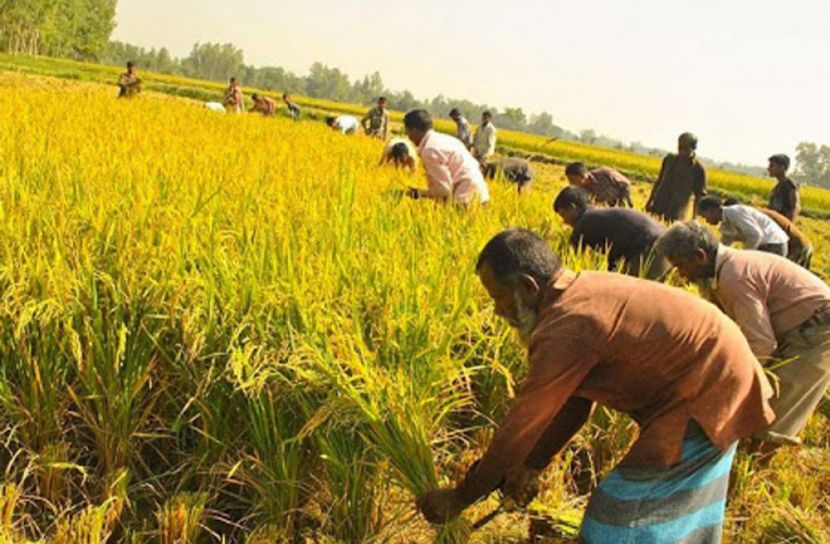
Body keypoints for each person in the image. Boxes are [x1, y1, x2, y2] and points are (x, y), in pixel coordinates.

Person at [417, 229, 774, 544]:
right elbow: (576, 401)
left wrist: (461, 497)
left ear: (528, 286)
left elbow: (521, 425)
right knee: (674, 506)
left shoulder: (566, 329)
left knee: (620, 509)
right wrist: (534, 464)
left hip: (708, 390)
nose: (498, 311)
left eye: (500, 298)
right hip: (718, 373)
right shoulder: (577, 292)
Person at [656, 221, 830, 452]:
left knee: (774, 411)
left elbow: (762, 343)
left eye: (681, 267)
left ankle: (754, 469)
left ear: (700, 256)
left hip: (816, 329)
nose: (682, 275)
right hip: (799, 326)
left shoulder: (734, 277)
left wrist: (732, 386)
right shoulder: (724, 271)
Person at [554, 187, 670, 279]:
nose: (564, 221)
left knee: (624, 292)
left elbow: (568, 258)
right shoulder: (598, 215)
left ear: (572, 208)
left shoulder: (584, 221)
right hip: (667, 246)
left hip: (649, 251)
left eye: (563, 215)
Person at [402, 109, 489, 205]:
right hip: (481, 193)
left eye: (407, 131)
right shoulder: (447, 139)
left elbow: (443, 190)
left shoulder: (430, 150)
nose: (407, 135)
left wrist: (417, 193)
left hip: (465, 197)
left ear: (414, 130)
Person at [697, 196, 788, 256]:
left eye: (705, 216)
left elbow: (755, 235)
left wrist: (743, 257)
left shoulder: (734, 212)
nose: (706, 221)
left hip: (774, 244)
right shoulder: (725, 223)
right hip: (767, 244)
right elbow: (724, 245)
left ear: (712, 210)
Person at [646, 132, 707, 221]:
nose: (681, 150)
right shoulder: (669, 160)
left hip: (676, 213)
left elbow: (699, 196)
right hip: (658, 207)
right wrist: (649, 201)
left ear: (693, 148)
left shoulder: (699, 169)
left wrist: (694, 218)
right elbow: (659, 181)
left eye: (685, 148)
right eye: (680, 146)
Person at [565, 162, 633, 207]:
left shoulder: (605, 173)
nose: (571, 183)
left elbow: (626, 184)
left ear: (582, 176)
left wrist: (622, 202)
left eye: (572, 180)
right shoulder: (581, 190)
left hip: (624, 206)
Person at [767, 154, 801, 221]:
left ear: (782, 167)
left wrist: (789, 225)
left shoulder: (789, 185)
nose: (768, 169)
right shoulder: (777, 186)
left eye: (772, 166)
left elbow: (796, 207)